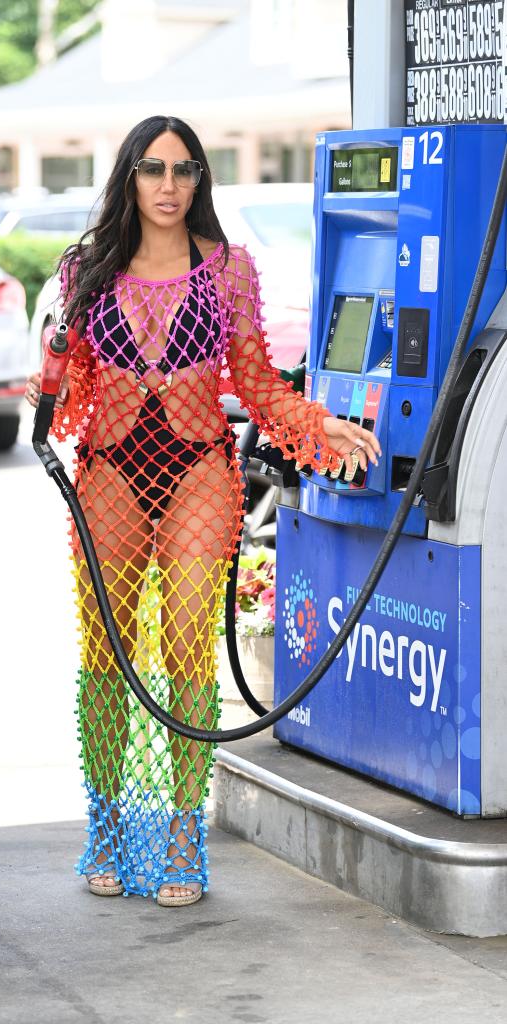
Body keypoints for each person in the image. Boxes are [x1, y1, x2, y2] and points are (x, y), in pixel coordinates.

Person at [26, 115, 380, 908]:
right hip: (110, 469)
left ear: (199, 183)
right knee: (107, 655)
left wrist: (317, 423)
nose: (167, 185)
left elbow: (254, 385)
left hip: (197, 470)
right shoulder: (86, 268)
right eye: (152, 169)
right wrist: (46, 373)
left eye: (184, 171)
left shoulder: (227, 270)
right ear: (127, 178)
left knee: (187, 649)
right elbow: (59, 390)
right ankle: (108, 824)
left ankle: (184, 832)